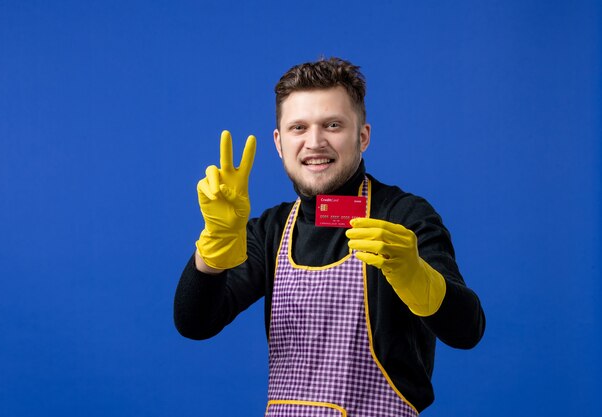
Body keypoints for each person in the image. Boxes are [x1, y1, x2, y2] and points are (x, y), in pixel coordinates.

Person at [174, 57, 485, 416]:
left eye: (333, 125)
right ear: (279, 142)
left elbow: (468, 330)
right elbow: (195, 323)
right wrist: (213, 247)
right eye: (298, 128)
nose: (315, 142)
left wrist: (416, 275)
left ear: (362, 136)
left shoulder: (404, 218)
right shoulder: (270, 231)